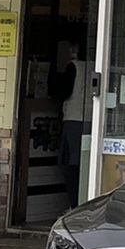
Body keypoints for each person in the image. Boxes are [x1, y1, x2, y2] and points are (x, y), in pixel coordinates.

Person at [52, 40, 88, 205]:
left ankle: (75, 204)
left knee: (71, 164)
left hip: (74, 119)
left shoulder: (74, 66)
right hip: (92, 119)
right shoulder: (98, 65)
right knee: (85, 163)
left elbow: (63, 91)